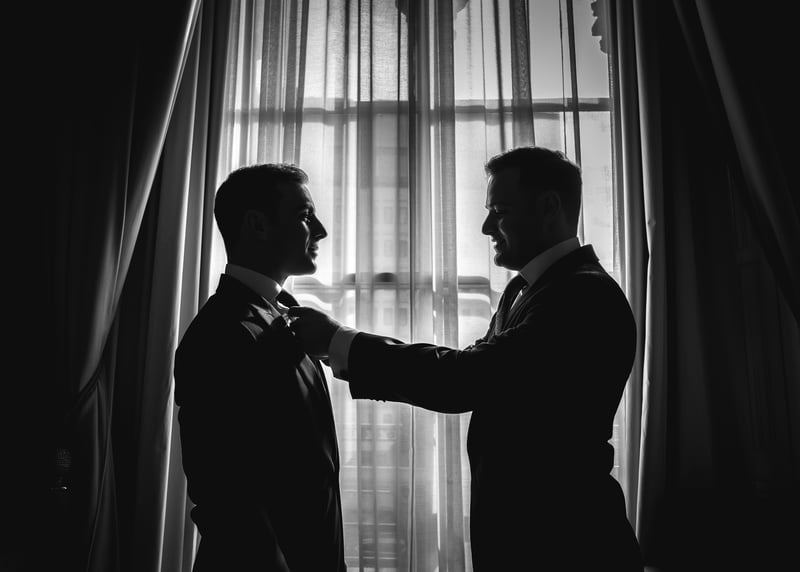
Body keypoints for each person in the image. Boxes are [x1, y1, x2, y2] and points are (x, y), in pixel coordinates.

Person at [288, 147, 643, 570]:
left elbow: (466, 378)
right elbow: (478, 367)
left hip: (567, 540)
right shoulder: (525, 290)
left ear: (549, 207)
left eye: (499, 211)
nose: (486, 226)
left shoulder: (582, 295)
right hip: (531, 535)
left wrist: (339, 341)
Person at [174, 164, 345, 571]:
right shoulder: (220, 333)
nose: (321, 231)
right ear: (258, 225)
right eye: (305, 215)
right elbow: (224, 494)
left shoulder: (286, 318)